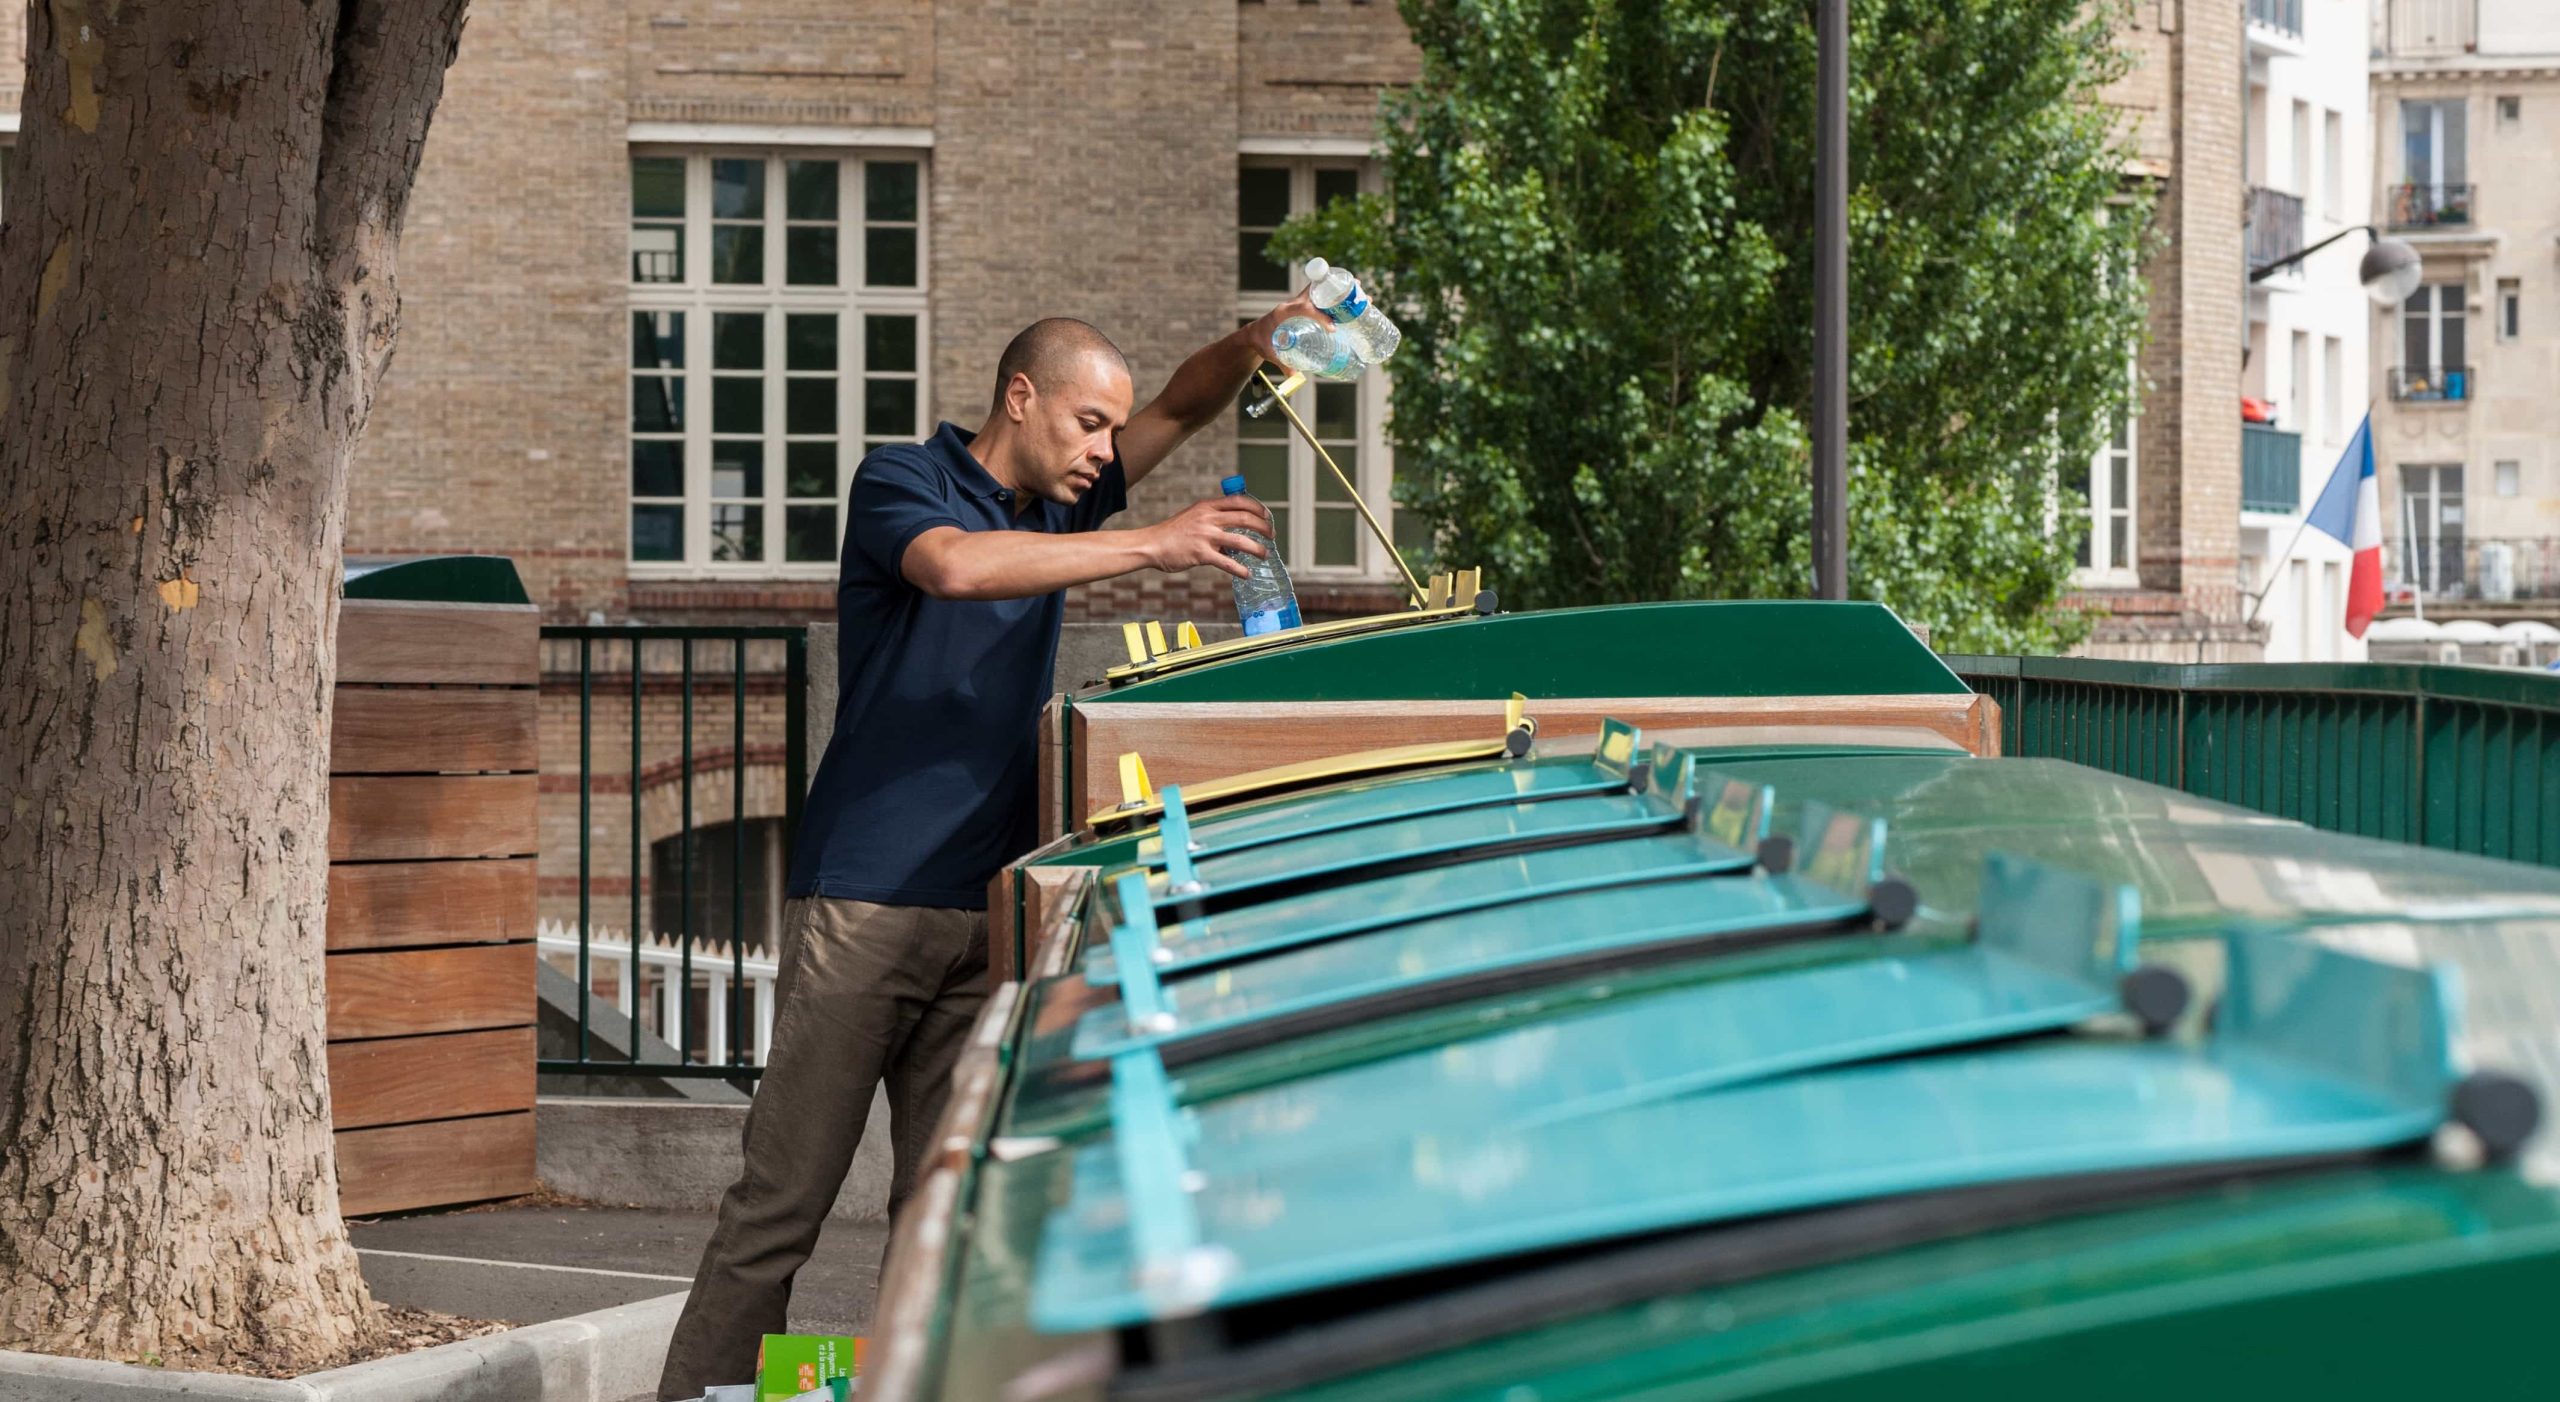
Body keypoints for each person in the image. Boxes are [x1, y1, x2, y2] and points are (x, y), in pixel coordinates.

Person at [657, 299, 1318, 1399]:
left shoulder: (1063, 499)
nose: (1108, 452)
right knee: (780, 1210)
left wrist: (1254, 342)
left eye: (1109, 433)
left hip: (985, 910)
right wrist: (1153, 541)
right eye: (1088, 424)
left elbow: (1184, 407)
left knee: (941, 1224)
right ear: (1021, 398)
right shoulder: (901, 482)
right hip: (864, 904)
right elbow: (955, 569)